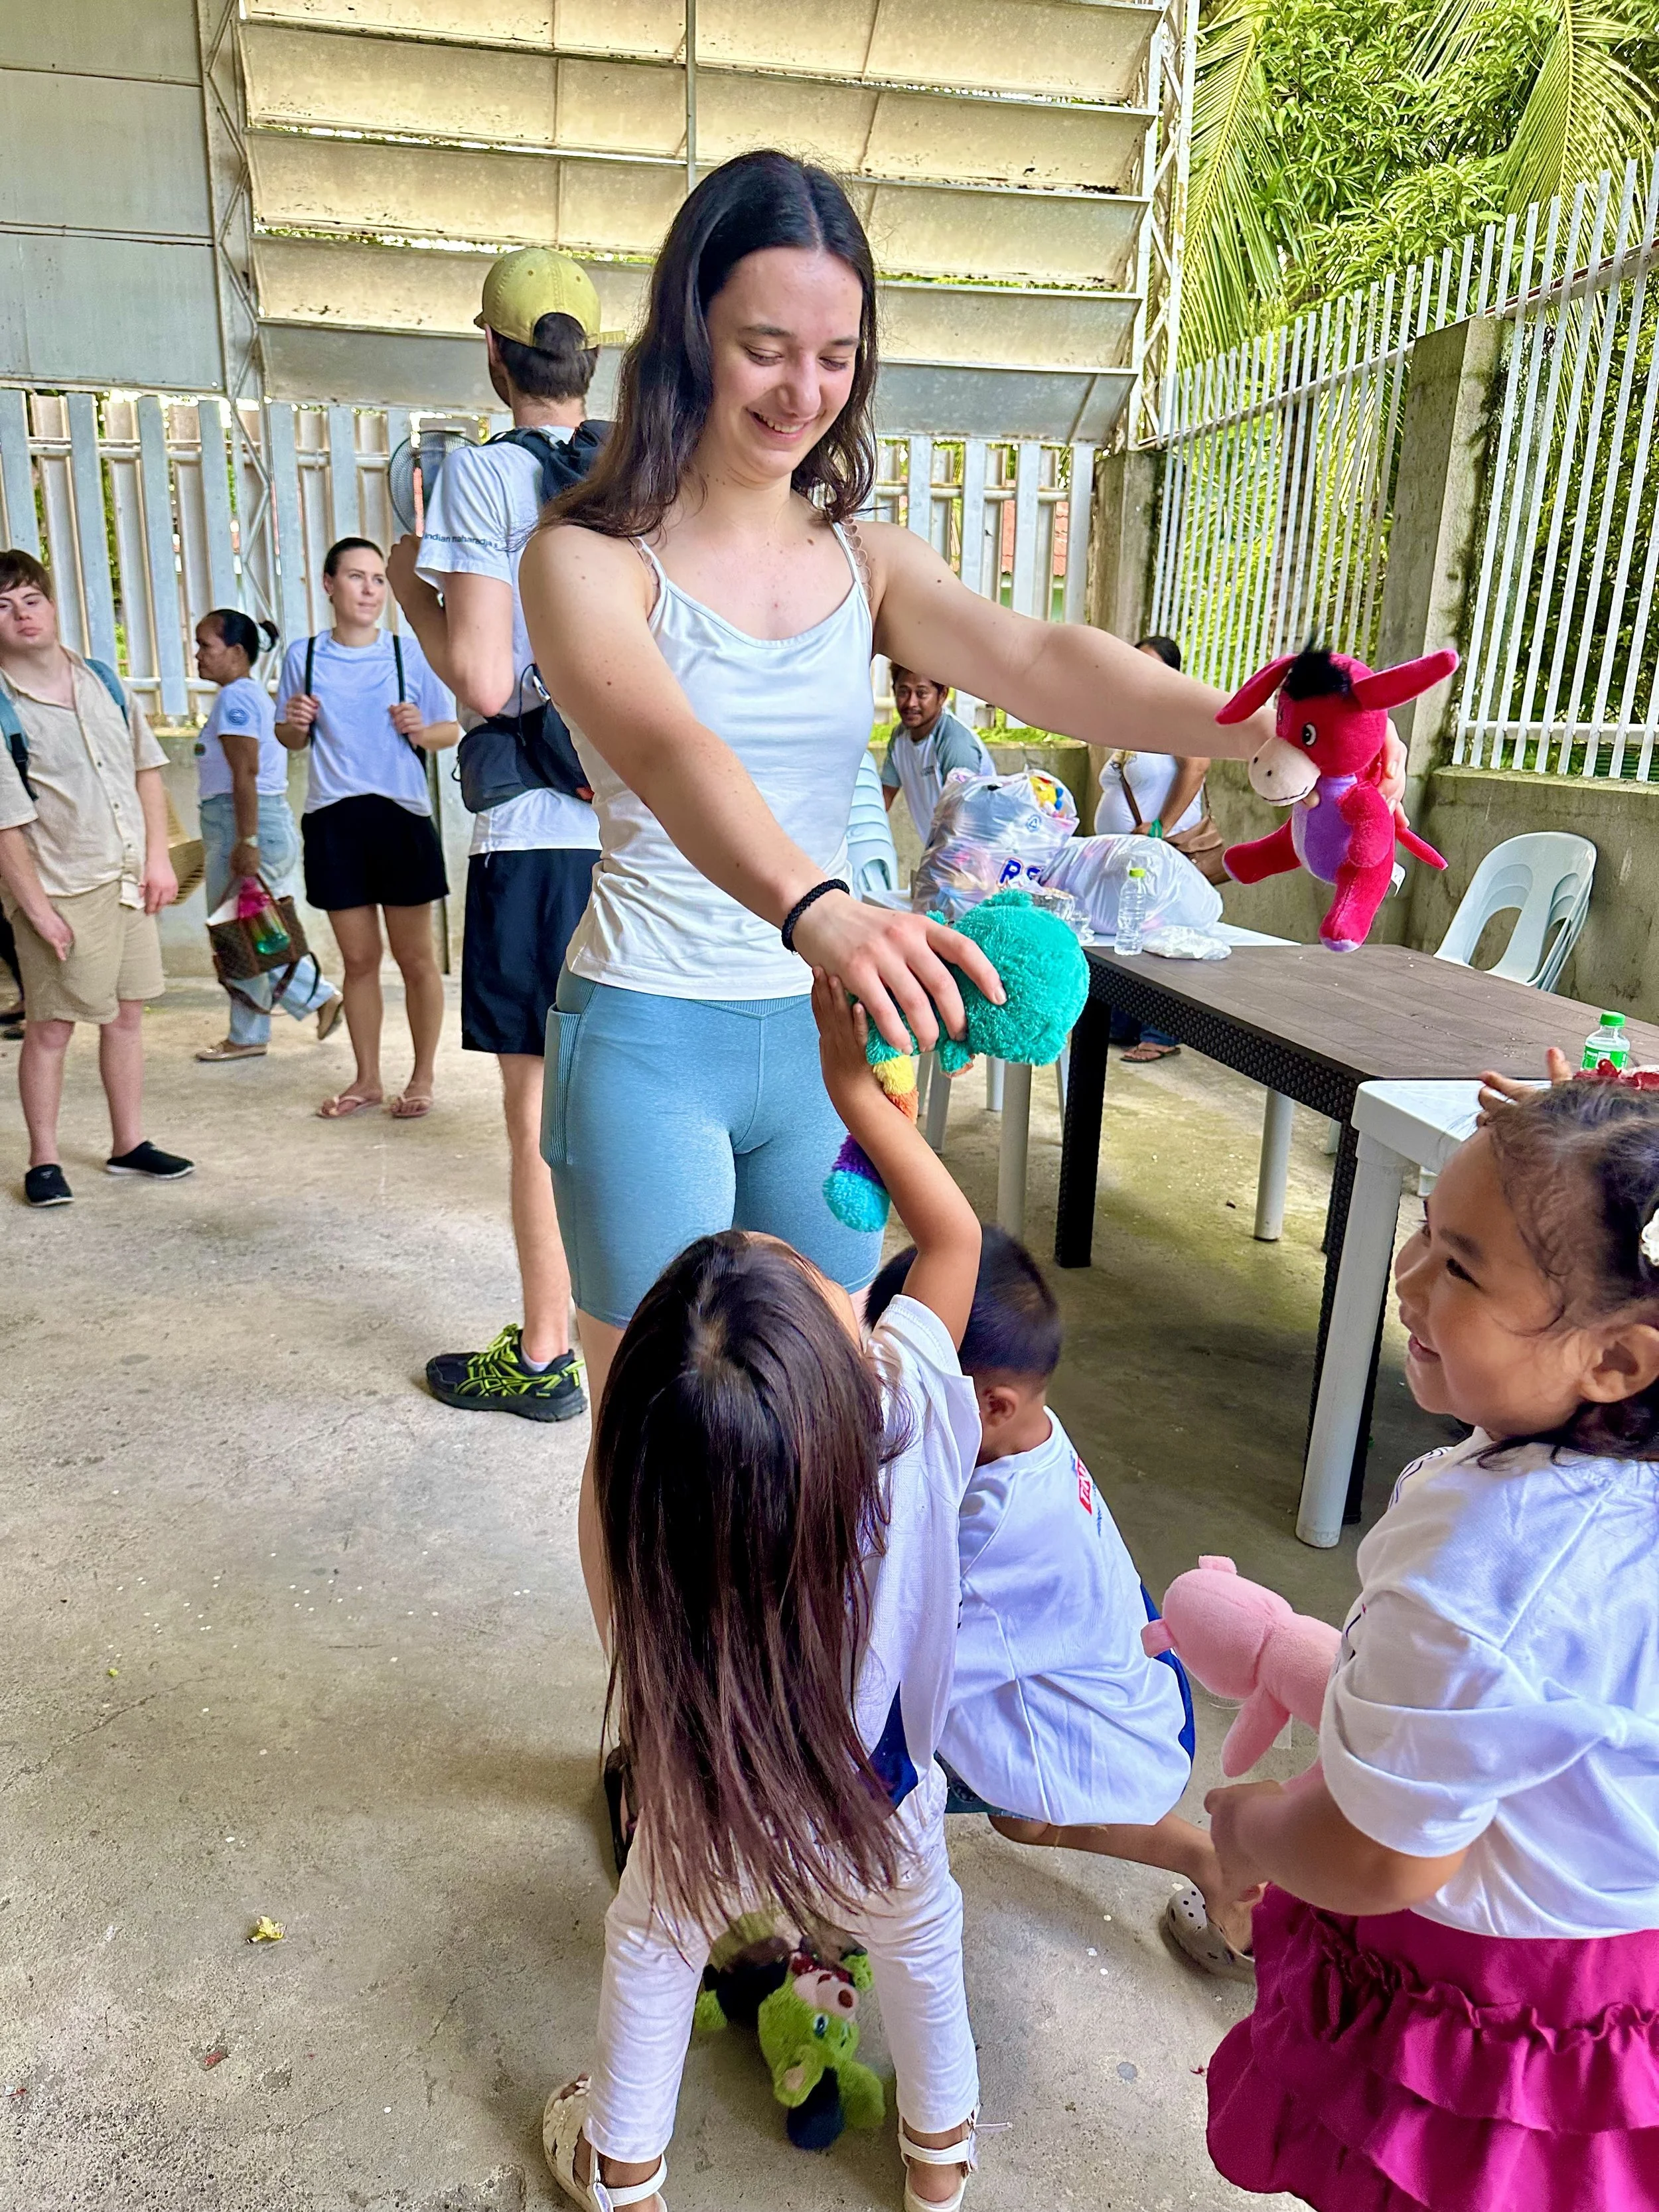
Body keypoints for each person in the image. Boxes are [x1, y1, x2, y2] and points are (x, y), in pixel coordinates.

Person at [516, 151, 1342, 1637]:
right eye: (764, 347)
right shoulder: (585, 560)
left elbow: (1037, 656)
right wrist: (817, 901)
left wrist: (1243, 720)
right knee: (644, 1431)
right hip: (650, 1033)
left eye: (834, 356)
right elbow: (666, 742)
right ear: (687, 328)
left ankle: (777, 1713)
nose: (800, 388)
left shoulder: (865, 560)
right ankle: (648, 1726)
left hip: (830, 1051)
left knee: (822, 1404)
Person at [542, 975, 984, 2212]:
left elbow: (624, 1628)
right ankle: (939, 2161)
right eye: (836, 1291)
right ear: (848, 1359)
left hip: (705, 1782)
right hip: (879, 1787)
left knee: (654, 1942)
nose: (854, 1290)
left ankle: (623, 2171)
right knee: (920, 1937)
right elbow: (950, 1243)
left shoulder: (638, 1490)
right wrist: (858, 1095)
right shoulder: (908, 1408)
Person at [1202, 1080, 1659, 2210]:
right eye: (1425, 1221)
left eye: (1461, 1264)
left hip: (1489, 1996)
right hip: (1622, 1960)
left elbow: (1385, 1856)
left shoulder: (1477, 1569)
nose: (1407, 1275)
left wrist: (1251, 1823)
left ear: (1615, 1361)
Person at [866, 1226, 1254, 1978]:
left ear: (992, 1404)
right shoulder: (1024, 1436)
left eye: (904, 1387)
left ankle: (837, 1915)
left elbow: (901, 1677)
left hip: (1097, 1714)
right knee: (1026, 1822)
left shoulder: (993, 1535)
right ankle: (1218, 1870)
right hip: (1130, 1685)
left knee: (873, 1742)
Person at [389, 248, 605, 1420]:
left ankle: (543, 1352)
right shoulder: (642, 471)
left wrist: (418, 578)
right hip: (639, 835)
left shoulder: (483, 477)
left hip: (531, 838)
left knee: (537, 1115)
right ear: (592, 361)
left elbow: (477, 675)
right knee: (633, 1095)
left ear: (493, 353)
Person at [0, 548, 191, 1207]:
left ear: (51, 605)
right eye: (3, 606)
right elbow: (4, 826)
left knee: (129, 1015)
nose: (22, 615)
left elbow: (145, 769)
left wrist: (159, 860)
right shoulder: (3, 706)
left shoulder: (103, 680)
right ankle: (43, 1159)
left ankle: (128, 1144)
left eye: (31, 599)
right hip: (60, 889)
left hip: (127, 880)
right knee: (52, 1025)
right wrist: (38, 911)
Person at [275, 539, 458, 1120]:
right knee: (358, 960)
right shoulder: (302, 657)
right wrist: (295, 726)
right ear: (328, 584)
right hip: (333, 818)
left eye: (379, 579)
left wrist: (420, 729)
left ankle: (423, 1076)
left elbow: (452, 728)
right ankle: (367, 1079)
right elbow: (289, 738)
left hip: (401, 815)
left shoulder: (410, 656)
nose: (370, 590)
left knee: (417, 959)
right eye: (356, 577)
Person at [191, 609, 342, 1063]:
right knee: (253, 931)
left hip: (242, 824)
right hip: (247, 824)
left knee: (243, 932)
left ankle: (277, 1019)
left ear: (236, 653)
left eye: (206, 646)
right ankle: (282, 1014)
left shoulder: (236, 700)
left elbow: (246, 773)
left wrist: (246, 840)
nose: (198, 655)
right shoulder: (248, 696)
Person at [1094, 636, 1210, 1063]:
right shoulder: (1132, 721)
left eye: (1149, 665)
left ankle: (1161, 1032)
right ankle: (1126, 1025)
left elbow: (1198, 766)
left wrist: (1161, 827)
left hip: (1157, 853)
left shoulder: (1174, 715)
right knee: (1128, 936)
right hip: (1130, 857)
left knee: (1161, 936)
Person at [879, 665, 994, 843]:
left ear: (943, 695)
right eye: (903, 692)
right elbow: (884, 796)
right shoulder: (900, 738)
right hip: (941, 849)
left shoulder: (955, 743)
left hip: (974, 852)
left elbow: (966, 818)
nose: (911, 703)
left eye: (922, 693)